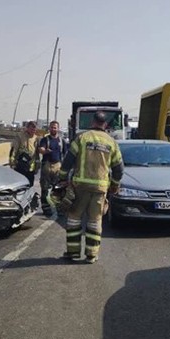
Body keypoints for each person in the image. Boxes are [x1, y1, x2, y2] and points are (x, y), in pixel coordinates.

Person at [58, 112, 124, 264]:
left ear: (93, 122)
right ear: (105, 125)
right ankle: (91, 255)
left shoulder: (82, 138)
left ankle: (73, 253)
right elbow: (119, 169)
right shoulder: (111, 142)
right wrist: (114, 185)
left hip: (80, 187)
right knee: (95, 221)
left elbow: (68, 161)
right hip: (99, 189)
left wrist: (62, 179)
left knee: (74, 219)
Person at [39, 121, 68, 216]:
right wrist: (45, 151)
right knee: (45, 188)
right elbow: (41, 149)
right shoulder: (45, 139)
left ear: (58, 129)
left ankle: (58, 208)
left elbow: (65, 154)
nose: (53, 129)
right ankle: (46, 209)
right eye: (51, 127)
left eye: (55, 127)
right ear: (49, 128)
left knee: (58, 189)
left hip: (57, 166)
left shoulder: (61, 141)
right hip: (47, 166)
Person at [9, 121, 40, 186]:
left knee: (29, 185)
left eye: (34, 129)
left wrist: (37, 166)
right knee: (19, 185)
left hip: (31, 167)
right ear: (27, 128)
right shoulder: (20, 137)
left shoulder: (36, 139)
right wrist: (12, 162)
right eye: (31, 129)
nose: (33, 131)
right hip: (20, 165)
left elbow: (37, 154)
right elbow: (14, 150)